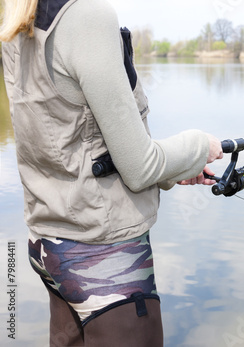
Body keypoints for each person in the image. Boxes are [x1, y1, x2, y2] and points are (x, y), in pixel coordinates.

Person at [0, 0, 223, 345]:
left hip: (49, 248)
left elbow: (74, 144)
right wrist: (198, 146)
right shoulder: (87, 16)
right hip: (105, 261)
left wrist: (175, 169)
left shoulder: (18, 19)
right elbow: (139, 167)